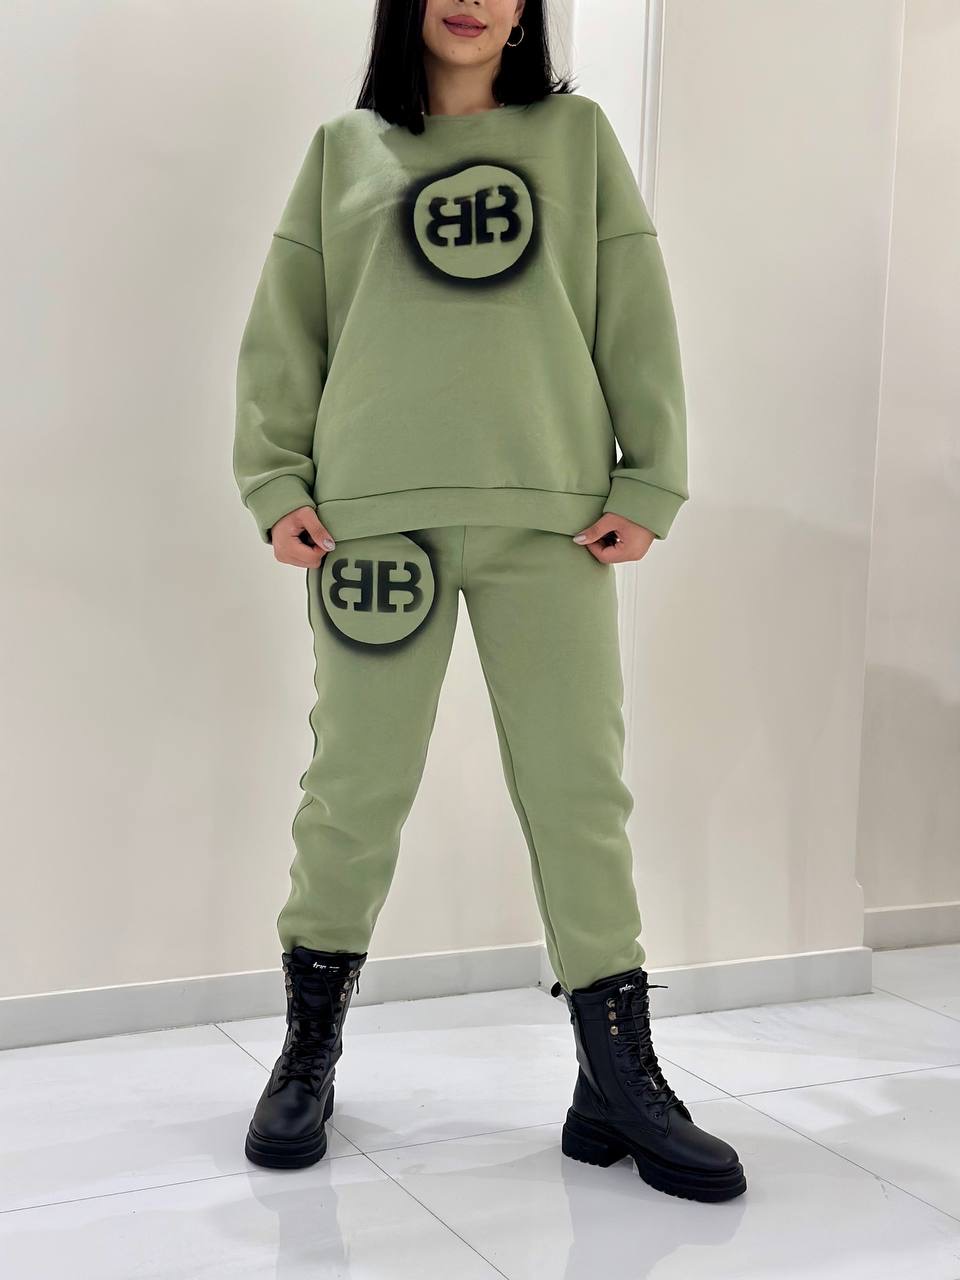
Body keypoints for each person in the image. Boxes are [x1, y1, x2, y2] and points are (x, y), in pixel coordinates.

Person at [232, 0, 746, 1202]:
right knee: (353, 785)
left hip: (551, 519)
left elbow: (635, 310)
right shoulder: (342, 149)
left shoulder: (577, 138)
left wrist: (650, 476)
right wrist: (274, 479)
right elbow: (286, 329)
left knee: (580, 791)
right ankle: (308, 1050)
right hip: (373, 523)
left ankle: (616, 1075)